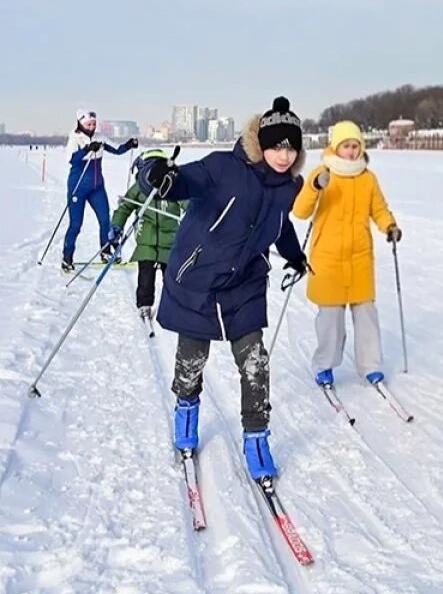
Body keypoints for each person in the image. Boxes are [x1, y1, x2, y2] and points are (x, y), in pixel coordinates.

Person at [139, 97, 308, 480]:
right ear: (260, 142)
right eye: (277, 144)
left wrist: (294, 256)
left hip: (245, 284)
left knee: (255, 363)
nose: (284, 154)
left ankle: (256, 436)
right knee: (191, 359)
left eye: (291, 146)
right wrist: (156, 172)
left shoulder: (289, 187)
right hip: (200, 278)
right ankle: (186, 411)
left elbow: (280, 224)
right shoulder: (222, 167)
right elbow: (181, 181)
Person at [292, 120, 402, 388]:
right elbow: (301, 210)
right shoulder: (323, 173)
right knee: (331, 320)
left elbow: (378, 208)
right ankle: (324, 365)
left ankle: (371, 366)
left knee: (366, 315)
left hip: (359, 258)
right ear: (335, 147)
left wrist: (389, 225)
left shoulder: (368, 178)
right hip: (328, 259)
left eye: (355, 146)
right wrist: (315, 186)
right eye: (346, 146)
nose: (352, 152)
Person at [110, 149, 188, 327]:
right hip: (146, 240)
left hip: (171, 243)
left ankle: (173, 307)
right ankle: (144, 305)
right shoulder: (139, 187)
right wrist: (116, 226)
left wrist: (196, 211)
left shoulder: (173, 185)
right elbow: (125, 207)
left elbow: (187, 203)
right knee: (145, 277)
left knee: (172, 278)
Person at [61, 109, 137, 271]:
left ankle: (106, 252)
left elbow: (117, 149)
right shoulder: (75, 138)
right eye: (88, 124)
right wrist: (87, 149)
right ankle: (67, 257)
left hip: (97, 187)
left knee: (105, 221)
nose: (91, 127)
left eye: (94, 124)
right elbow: (71, 159)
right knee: (76, 224)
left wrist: (129, 144)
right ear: (80, 124)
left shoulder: (100, 137)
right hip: (78, 187)